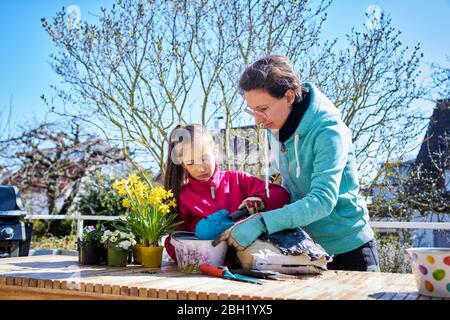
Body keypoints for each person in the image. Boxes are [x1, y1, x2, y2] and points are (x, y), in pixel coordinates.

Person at [216, 55, 380, 272]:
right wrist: (264, 201)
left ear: (289, 97)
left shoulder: (328, 131)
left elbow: (322, 200)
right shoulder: (276, 128)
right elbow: (289, 189)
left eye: (262, 109)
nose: (257, 120)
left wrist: (263, 222)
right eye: (252, 110)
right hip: (306, 250)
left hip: (350, 250)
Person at [163, 124, 290, 262]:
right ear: (182, 164)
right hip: (207, 269)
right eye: (191, 162)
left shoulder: (238, 179)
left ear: (215, 152)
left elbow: (281, 195)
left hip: (250, 259)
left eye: (204, 158)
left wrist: (260, 200)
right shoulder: (183, 197)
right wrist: (196, 254)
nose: (200, 168)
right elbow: (174, 242)